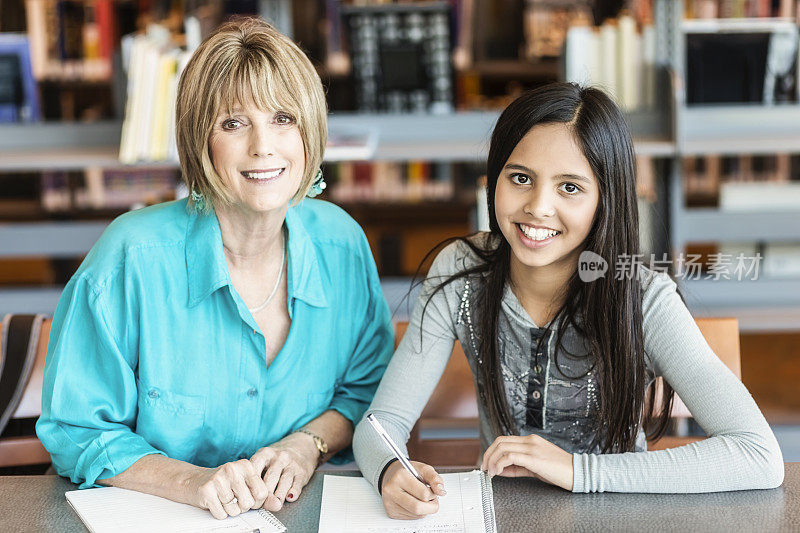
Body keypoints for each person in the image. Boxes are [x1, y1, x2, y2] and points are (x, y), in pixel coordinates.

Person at [353, 82, 784, 519]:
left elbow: (757, 454)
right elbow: (379, 425)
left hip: (621, 517)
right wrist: (390, 470)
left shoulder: (642, 297)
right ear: (494, 178)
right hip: (503, 517)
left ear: (605, 200)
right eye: (520, 178)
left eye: (570, 188)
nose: (538, 208)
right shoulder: (461, 271)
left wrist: (579, 472)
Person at [36, 18, 393, 520]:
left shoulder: (342, 243)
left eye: (284, 119)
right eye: (233, 123)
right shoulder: (130, 257)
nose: (262, 146)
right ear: (199, 141)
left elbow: (366, 389)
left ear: (310, 131)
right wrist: (193, 482)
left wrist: (305, 445)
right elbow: (79, 431)